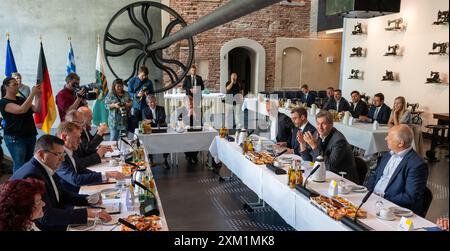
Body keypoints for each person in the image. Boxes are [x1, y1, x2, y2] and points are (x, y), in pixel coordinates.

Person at [10, 134, 112, 231]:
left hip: (58, 218)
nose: (62, 159)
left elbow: (61, 194)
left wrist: (88, 199)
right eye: (58, 154)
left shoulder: (45, 166)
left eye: (63, 154)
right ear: (41, 154)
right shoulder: (32, 176)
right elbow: (46, 217)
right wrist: (86, 213)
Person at [366, 124, 428, 214]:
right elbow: (375, 175)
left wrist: (381, 198)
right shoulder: (387, 155)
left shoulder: (417, 165)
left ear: (401, 143)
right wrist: (369, 193)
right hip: (373, 200)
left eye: (390, 137)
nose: (386, 138)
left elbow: (410, 197)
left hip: (393, 209)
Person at [56, 121, 124, 194]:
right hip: (72, 195)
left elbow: (80, 170)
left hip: (80, 190)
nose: (80, 141)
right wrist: (106, 175)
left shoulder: (69, 150)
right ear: (64, 137)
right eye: (76, 137)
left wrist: (104, 176)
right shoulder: (59, 156)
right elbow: (75, 179)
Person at [297, 110, 359, 184]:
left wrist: (314, 146)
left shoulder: (339, 141)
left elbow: (328, 166)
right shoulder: (317, 133)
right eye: (318, 123)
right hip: (325, 176)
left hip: (343, 181)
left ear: (331, 125)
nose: (320, 127)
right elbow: (309, 161)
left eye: (323, 124)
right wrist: (302, 144)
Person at [0, 77, 41, 173]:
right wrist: (32, 94)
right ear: (6, 87)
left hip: (30, 135)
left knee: (29, 164)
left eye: (17, 84)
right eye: (14, 84)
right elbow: (21, 110)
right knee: (19, 164)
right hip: (16, 138)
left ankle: (26, 185)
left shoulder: (22, 99)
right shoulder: (3, 102)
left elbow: (36, 109)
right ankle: (16, 186)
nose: (17, 86)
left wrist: (38, 96)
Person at [142, 95, 169, 168]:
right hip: (149, 131)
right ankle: (151, 159)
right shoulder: (144, 110)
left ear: (155, 101)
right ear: (148, 103)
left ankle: (165, 160)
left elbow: (162, 119)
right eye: (150, 102)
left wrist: (151, 120)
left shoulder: (161, 108)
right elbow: (145, 121)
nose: (152, 104)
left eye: (153, 102)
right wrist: (154, 121)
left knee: (166, 142)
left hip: (161, 130)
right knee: (147, 142)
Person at [128, 65, 154, 133]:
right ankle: (136, 140)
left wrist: (147, 94)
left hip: (145, 106)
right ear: (138, 73)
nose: (144, 77)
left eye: (145, 76)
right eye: (142, 75)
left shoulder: (149, 82)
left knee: (146, 124)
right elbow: (129, 93)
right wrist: (137, 94)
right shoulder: (132, 81)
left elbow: (152, 94)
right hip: (135, 106)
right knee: (135, 125)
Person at [177, 95, 201, 165]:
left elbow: (202, 122)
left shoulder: (197, 110)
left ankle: (194, 156)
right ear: (184, 104)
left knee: (200, 139)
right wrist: (188, 115)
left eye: (192, 103)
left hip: (196, 132)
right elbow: (180, 123)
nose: (191, 105)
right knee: (187, 140)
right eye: (189, 103)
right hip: (185, 134)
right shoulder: (180, 110)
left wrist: (196, 117)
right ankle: (189, 156)